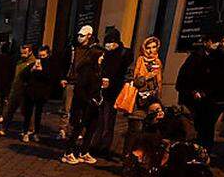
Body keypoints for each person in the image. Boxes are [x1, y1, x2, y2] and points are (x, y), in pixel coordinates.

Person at [113, 36, 164, 157]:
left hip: (151, 101)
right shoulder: (139, 61)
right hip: (137, 101)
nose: (151, 50)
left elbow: (159, 83)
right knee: (134, 130)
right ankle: (127, 156)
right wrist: (148, 76)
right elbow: (132, 80)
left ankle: (140, 156)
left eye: (154, 47)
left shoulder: (158, 62)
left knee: (147, 132)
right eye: (148, 47)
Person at [61, 30, 104, 165]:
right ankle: (68, 153)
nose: (103, 58)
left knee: (91, 127)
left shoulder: (98, 70)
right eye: (101, 56)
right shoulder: (86, 69)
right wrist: (89, 99)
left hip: (94, 104)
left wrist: (98, 98)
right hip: (83, 104)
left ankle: (84, 151)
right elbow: (80, 89)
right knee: (78, 128)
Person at [176, 34, 224, 150]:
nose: (216, 45)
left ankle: (203, 149)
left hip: (208, 99)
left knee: (206, 127)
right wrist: (193, 91)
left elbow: (219, 79)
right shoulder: (195, 57)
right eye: (214, 41)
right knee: (191, 126)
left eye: (218, 42)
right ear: (206, 42)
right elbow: (184, 77)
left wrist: (207, 93)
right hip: (191, 99)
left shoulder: (219, 58)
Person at [90, 27, 132, 157]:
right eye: (106, 42)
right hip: (100, 91)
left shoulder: (124, 53)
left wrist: (111, 81)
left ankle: (104, 147)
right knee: (98, 120)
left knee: (108, 121)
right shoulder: (104, 54)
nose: (108, 45)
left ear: (116, 42)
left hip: (113, 91)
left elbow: (122, 73)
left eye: (110, 42)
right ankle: (94, 145)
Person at [58, 27, 97, 139]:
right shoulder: (72, 48)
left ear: (89, 36)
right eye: (79, 35)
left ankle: (77, 130)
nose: (80, 38)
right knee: (66, 107)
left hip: (83, 83)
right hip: (71, 80)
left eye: (82, 36)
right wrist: (63, 77)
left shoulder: (92, 50)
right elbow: (63, 63)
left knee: (80, 109)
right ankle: (62, 130)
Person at [0, 44, 36, 136]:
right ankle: (3, 129)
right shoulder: (19, 62)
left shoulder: (34, 62)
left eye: (25, 52)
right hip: (15, 90)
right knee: (8, 110)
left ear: (30, 51)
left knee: (26, 111)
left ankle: (30, 129)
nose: (23, 54)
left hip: (25, 91)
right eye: (22, 52)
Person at [20, 46, 55, 142]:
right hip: (31, 92)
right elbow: (23, 75)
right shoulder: (33, 64)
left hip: (41, 93)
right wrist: (32, 70)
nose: (41, 57)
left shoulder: (50, 65)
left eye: (43, 55)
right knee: (28, 113)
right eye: (40, 55)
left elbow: (50, 78)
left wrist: (41, 71)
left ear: (47, 54)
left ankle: (36, 133)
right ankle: (26, 132)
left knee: (38, 114)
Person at [0, 41, 16, 119]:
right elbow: (13, 72)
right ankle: (4, 115)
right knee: (5, 99)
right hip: (7, 82)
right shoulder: (11, 60)